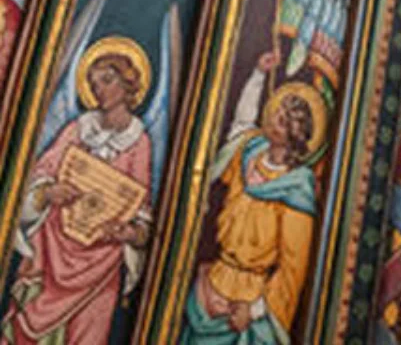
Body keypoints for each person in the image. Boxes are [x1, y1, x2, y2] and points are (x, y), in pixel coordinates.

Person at [3, 41, 154, 345]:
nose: (98, 89)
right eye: (93, 82)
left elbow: (143, 213)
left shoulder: (138, 143)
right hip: (51, 248)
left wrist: (129, 232)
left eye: (107, 80)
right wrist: (47, 194)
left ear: (128, 83)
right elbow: (39, 178)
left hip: (99, 265)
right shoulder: (78, 129)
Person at [180, 52, 323, 342]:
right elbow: (242, 123)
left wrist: (255, 310)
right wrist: (259, 75)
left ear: (296, 134)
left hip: (248, 299)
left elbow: (292, 269)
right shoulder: (250, 151)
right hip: (213, 284)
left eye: (283, 120)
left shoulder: (296, 187)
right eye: (276, 113)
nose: (273, 120)